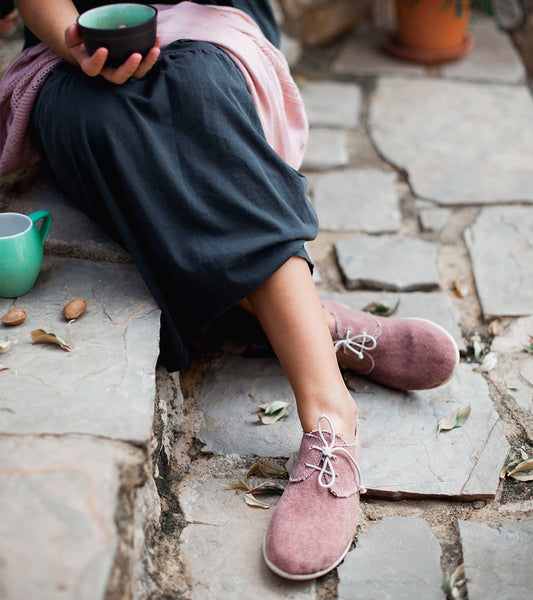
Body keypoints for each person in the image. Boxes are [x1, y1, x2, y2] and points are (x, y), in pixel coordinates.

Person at [4, 0, 459, 581]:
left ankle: (329, 416)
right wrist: (74, 44)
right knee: (98, 120)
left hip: (205, 25)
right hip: (70, 53)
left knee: (193, 93)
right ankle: (314, 324)